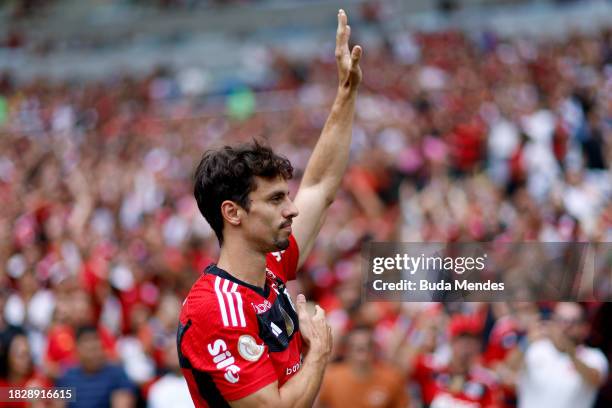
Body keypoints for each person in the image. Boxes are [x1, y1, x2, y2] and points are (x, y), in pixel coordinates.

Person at [177, 8, 362, 408]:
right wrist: (320, 353)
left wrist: (345, 95)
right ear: (233, 213)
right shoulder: (213, 310)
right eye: (276, 199)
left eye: (287, 196)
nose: (292, 209)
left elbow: (321, 185)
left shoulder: (272, 267)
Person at [514, 302, 609, 408]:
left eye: (573, 322)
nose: (565, 327)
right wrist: (527, 341)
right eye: (560, 320)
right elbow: (506, 370)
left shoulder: (593, 356)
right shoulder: (536, 348)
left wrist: (570, 351)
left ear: (585, 328)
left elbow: (595, 379)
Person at [317, 326, 409, 408]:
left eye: (367, 347)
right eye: (357, 349)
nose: (362, 355)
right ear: (347, 351)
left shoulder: (392, 378)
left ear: (374, 350)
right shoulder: (330, 378)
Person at [53, 325, 135, 408]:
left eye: (95, 347)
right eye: (89, 349)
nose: (93, 354)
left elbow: (123, 402)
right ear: (77, 350)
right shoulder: (67, 377)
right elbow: (58, 404)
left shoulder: (117, 375)